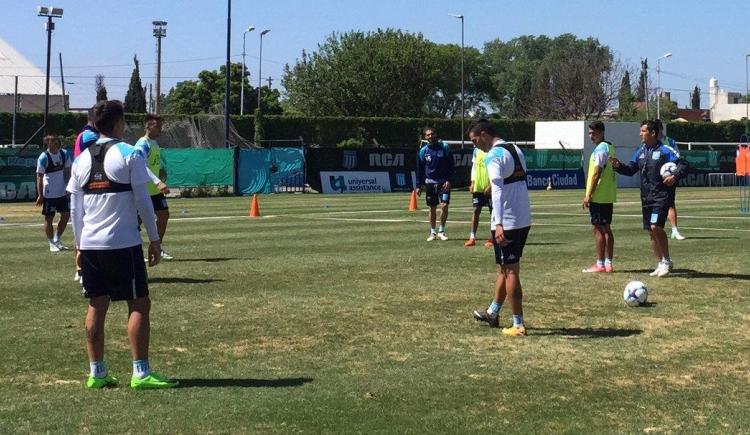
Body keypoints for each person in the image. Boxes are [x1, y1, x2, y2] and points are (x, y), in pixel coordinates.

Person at [67, 100, 177, 389]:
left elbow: (76, 210)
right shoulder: (129, 154)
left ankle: (97, 371)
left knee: (96, 304)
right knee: (139, 302)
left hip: (90, 245)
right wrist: (154, 239)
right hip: (123, 242)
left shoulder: (80, 160)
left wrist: (78, 247)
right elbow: (143, 202)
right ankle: (140, 372)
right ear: (119, 123)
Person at [469, 120, 532, 337]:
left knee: (511, 270)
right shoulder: (515, 148)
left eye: (475, 140)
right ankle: (493, 312)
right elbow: (512, 180)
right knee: (505, 268)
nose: (475, 145)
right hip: (524, 217)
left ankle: (518, 324)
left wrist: (498, 223)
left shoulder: (493, 155)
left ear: (484, 134)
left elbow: (497, 190)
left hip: (508, 220)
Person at [610, 120, 688, 277]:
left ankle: (666, 260)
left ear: (653, 133)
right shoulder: (640, 152)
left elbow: (684, 165)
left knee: (655, 227)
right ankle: (660, 263)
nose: (640, 134)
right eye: (640, 131)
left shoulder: (666, 150)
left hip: (662, 195)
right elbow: (631, 170)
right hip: (646, 197)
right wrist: (618, 166)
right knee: (651, 231)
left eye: (643, 131)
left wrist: (674, 176)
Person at [134, 114, 172, 259]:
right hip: (143, 190)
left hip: (154, 192)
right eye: (157, 127)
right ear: (148, 127)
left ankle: (157, 247)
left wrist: (160, 174)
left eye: (161, 127)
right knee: (135, 223)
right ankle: (135, 252)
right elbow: (141, 165)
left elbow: (152, 164)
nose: (160, 130)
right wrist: (158, 181)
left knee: (164, 215)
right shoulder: (142, 144)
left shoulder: (154, 143)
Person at [581, 121, 616, 273]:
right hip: (607, 194)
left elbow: (597, 172)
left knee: (598, 229)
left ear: (601, 132)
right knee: (606, 228)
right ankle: (608, 263)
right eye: (589, 133)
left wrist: (589, 194)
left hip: (599, 195)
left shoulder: (601, 149)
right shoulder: (609, 147)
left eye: (593, 133)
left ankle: (600, 263)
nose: (591, 136)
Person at [415, 127, 454, 241]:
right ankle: (432, 232)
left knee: (444, 205)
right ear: (425, 137)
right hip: (430, 184)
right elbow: (420, 170)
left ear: (435, 134)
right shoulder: (423, 151)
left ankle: (441, 231)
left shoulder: (445, 147)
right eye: (428, 135)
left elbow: (451, 165)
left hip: (443, 183)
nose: (430, 136)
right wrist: (418, 186)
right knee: (432, 208)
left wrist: (449, 179)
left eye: (432, 134)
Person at [36, 134, 72, 252]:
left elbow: (68, 171)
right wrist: (40, 195)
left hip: (62, 192)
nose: (54, 143)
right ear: (47, 143)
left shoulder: (64, 154)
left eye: (56, 141)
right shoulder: (43, 157)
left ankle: (57, 239)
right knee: (49, 218)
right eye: (51, 141)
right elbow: (39, 177)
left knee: (66, 216)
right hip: (50, 193)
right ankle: (51, 242)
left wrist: (69, 186)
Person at [657, 120, 686, 240]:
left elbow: (679, 159)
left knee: (670, 203)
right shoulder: (648, 143)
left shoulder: (670, 142)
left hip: (669, 177)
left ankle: (674, 230)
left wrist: (673, 174)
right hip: (656, 178)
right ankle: (656, 229)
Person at [465, 141, 494, 248]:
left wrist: (491, 185)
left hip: (490, 188)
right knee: (475, 211)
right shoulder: (476, 150)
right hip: (478, 187)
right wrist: (472, 182)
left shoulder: (492, 151)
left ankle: (493, 237)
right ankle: (472, 237)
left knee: (493, 213)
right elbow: (474, 167)